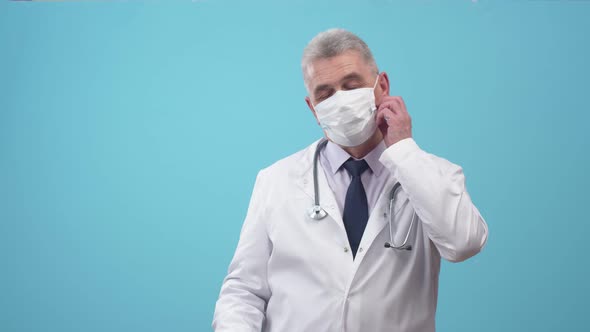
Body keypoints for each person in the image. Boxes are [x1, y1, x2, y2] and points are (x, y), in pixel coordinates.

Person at [212, 28, 488, 332]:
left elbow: (464, 243)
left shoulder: (433, 175)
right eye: (325, 93)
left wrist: (405, 151)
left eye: (351, 85)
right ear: (313, 108)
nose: (339, 101)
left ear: (382, 86)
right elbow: (243, 290)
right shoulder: (276, 180)